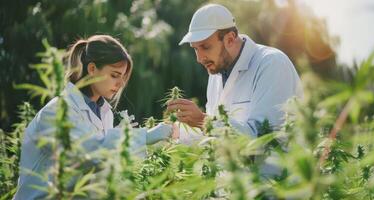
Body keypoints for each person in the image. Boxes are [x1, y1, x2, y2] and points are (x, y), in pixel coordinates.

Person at [14, 35, 176, 199]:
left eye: (123, 77)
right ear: (92, 69)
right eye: (114, 75)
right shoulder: (56, 111)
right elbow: (86, 152)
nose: (120, 84)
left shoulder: (104, 114)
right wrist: (145, 136)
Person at [167, 4, 303, 178]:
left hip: (273, 188)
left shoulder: (271, 64)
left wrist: (202, 120)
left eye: (206, 47)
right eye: (195, 49)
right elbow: (213, 136)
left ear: (230, 39)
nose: (199, 58)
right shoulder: (216, 75)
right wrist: (176, 131)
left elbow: (262, 141)